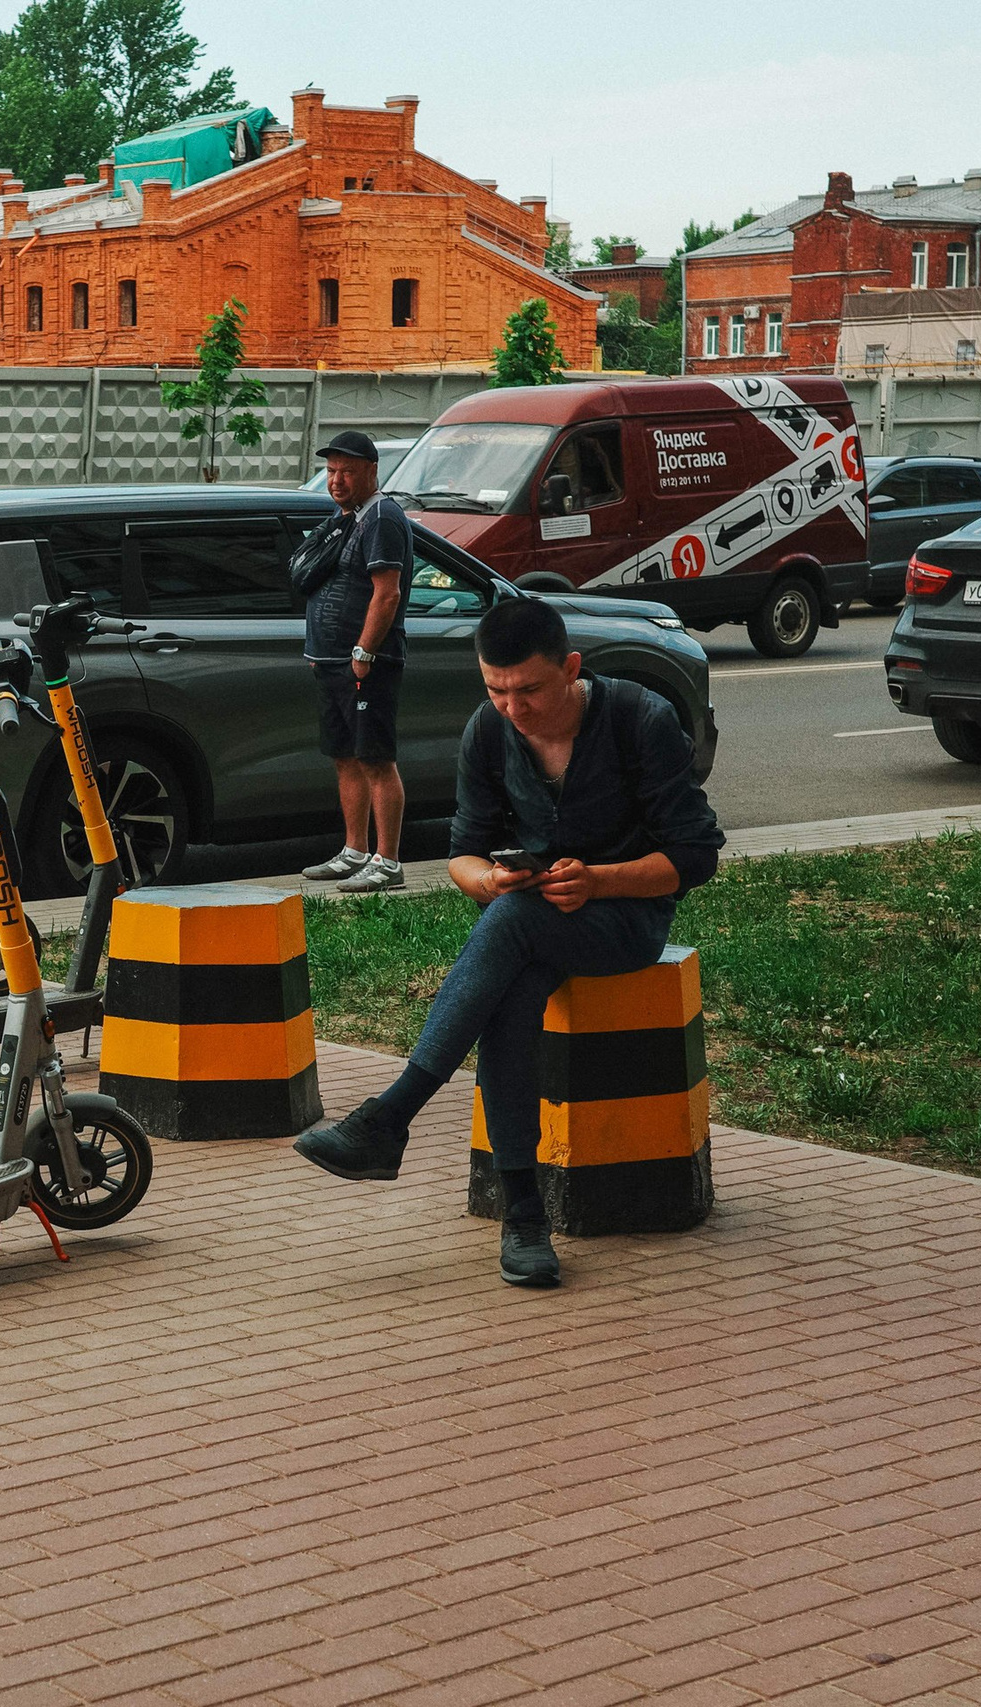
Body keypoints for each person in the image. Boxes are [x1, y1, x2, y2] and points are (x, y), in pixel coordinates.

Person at [294, 596, 723, 1288]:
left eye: (530, 690)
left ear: (572, 669)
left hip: (627, 921)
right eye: (496, 690)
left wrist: (600, 880)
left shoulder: (640, 719)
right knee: (514, 984)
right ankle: (523, 1214)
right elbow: (462, 854)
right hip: (526, 924)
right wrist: (490, 880)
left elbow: (697, 856)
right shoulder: (487, 732)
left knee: (515, 928)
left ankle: (393, 1115)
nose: (514, 707)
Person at [299, 430, 410, 894]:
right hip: (331, 662)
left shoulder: (382, 516)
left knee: (375, 759)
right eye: (330, 471)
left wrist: (363, 652)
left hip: (367, 662)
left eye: (346, 471)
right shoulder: (346, 518)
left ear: (370, 470)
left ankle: (388, 862)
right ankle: (354, 851)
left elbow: (387, 593)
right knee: (344, 757)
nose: (336, 480)